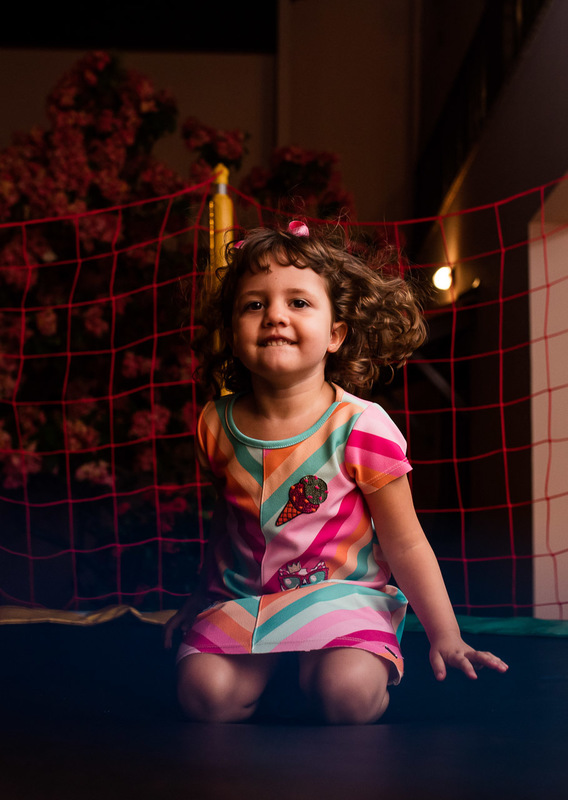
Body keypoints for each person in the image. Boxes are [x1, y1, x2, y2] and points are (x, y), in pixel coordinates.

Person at [164, 220, 507, 724]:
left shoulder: (362, 426)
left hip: (340, 598)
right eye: (254, 304)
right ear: (233, 332)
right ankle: (276, 664)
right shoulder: (216, 421)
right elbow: (231, 523)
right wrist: (199, 596)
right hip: (246, 598)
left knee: (347, 694)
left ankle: (317, 663)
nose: (275, 315)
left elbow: (406, 543)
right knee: (203, 696)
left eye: (298, 303)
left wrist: (445, 634)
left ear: (335, 335)